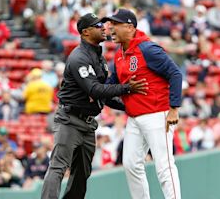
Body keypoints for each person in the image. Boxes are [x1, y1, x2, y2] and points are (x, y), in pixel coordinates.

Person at [41, 13, 147, 199]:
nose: (104, 28)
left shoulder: (98, 57)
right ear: (86, 32)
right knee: (58, 167)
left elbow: (103, 95)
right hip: (70, 120)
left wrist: (129, 107)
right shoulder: (78, 57)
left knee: (82, 173)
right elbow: (95, 89)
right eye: (98, 25)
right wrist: (127, 88)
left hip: (88, 123)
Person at [102, 8, 182, 199]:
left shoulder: (147, 49)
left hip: (157, 113)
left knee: (164, 165)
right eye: (110, 24)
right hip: (135, 118)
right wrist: (97, 91)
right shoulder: (119, 54)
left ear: (130, 27)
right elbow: (111, 85)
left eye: (115, 24)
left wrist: (173, 109)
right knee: (130, 164)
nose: (111, 28)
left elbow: (175, 73)